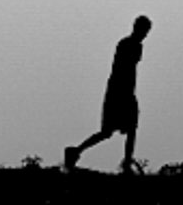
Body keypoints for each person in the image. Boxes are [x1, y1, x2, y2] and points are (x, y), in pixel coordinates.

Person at [64, 16, 151, 172]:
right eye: (144, 31)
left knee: (130, 129)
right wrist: (125, 95)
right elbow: (122, 71)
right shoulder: (127, 45)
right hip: (118, 92)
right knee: (107, 132)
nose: (145, 34)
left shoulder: (136, 46)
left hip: (125, 92)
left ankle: (126, 162)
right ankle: (76, 151)